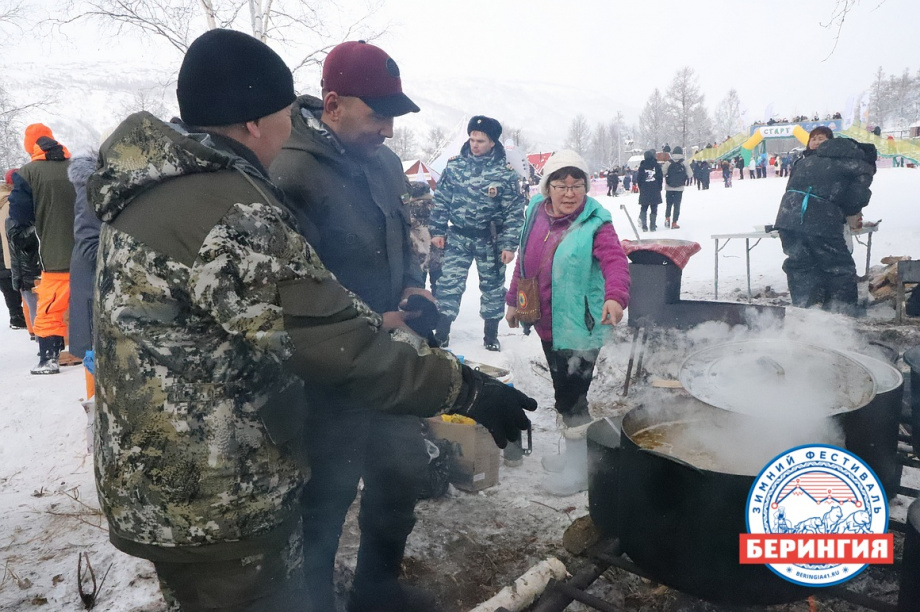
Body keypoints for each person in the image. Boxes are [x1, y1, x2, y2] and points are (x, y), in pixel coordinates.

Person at [91, 29, 536, 612]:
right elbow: (332, 339)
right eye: (285, 113)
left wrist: (406, 293)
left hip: (179, 478)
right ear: (254, 122)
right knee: (295, 550)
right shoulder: (233, 207)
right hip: (220, 486)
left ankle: (371, 591)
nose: (291, 124)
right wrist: (468, 389)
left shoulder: (163, 186)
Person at [270, 39, 445, 612]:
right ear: (333, 104)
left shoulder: (386, 163)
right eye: (378, 115)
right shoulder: (290, 170)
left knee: (402, 472)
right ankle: (316, 601)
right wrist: (371, 318)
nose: (389, 130)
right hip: (328, 372)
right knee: (328, 494)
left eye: (394, 116)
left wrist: (412, 284)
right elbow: (291, 290)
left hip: (388, 358)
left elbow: (405, 236)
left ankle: (377, 588)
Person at [504, 150, 630, 495]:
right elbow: (523, 261)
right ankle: (575, 456)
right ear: (548, 187)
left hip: (580, 327)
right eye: (561, 185)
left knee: (573, 400)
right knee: (564, 394)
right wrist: (513, 300)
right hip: (547, 322)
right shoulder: (536, 211)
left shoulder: (596, 222)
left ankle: (579, 470)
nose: (570, 193)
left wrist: (615, 296)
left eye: (577, 185)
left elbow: (615, 262)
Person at [429, 115, 526, 350]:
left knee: (492, 288)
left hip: (489, 240)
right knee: (448, 284)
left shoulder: (505, 173)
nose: (474, 145)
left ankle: (491, 336)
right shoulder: (455, 166)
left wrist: (508, 245)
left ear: (492, 142)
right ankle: (441, 333)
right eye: (472, 139)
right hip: (458, 236)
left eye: (480, 141)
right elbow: (441, 200)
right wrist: (438, 230)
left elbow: (514, 213)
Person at [774, 126, 877, 315]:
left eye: (820, 139)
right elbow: (856, 199)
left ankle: (805, 311)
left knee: (800, 264)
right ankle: (842, 315)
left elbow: (791, 188)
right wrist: (846, 212)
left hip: (788, 218)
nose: (816, 142)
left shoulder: (806, 161)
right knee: (838, 267)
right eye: (814, 139)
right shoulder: (859, 165)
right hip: (821, 220)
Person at [8, 124, 78, 374]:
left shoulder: (27, 173)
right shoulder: (78, 167)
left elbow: (20, 217)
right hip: (89, 253)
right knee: (89, 305)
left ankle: (49, 357)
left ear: (31, 146)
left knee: (49, 308)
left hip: (54, 255)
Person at [4, 167, 41, 338]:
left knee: (27, 300)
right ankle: (39, 335)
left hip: (15, 263)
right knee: (34, 302)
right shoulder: (15, 208)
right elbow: (24, 237)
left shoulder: (9, 209)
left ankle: (33, 330)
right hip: (28, 264)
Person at [0, 170, 27, 329]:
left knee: (6, 282)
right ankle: (18, 317)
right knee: (15, 281)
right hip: (8, 248)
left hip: (1, 250)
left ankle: (15, 315)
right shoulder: (10, 201)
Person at [661, 146, 688, 229]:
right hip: (679, 188)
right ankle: (674, 223)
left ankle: (667, 218)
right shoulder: (684, 163)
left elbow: (662, 173)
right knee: (677, 205)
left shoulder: (668, 163)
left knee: (669, 204)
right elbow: (690, 174)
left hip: (669, 187)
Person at [636, 149, 662, 231]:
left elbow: (639, 179)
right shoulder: (657, 165)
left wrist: (641, 188)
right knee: (654, 208)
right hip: (655, 189)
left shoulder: (642, 167)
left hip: (645, 190)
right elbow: (660, 178)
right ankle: (653, 226)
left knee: (644, 208)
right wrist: (659, 187)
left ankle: (644, 226)